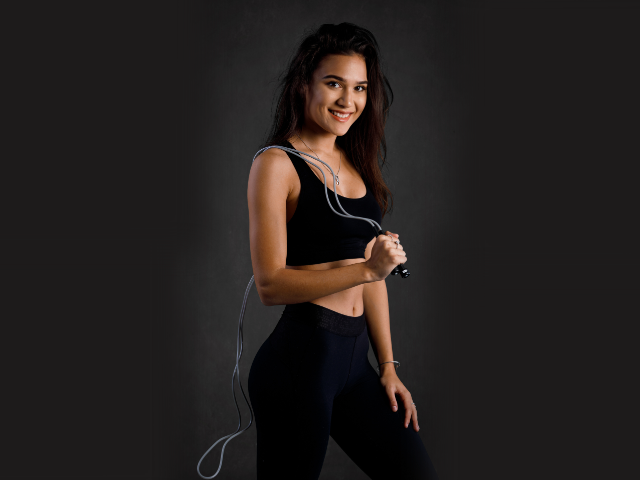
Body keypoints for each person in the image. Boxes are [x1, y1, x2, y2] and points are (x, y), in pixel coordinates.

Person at [247, 23, 439, 480]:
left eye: (360, 88)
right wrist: (368, 270)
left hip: (355, 364)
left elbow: (373, 275)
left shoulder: (354, 162)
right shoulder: (276, 164)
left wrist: (387, 366)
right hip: (300, 363)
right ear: (304, 84)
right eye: (334, 83)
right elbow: (270, 285)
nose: (347, 100)